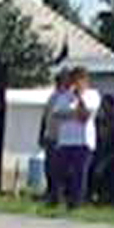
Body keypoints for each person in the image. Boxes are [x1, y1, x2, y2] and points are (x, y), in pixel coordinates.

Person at [46, 65, 101, 209]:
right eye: (73, 79)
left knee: (79, 174)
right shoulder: (64, 96)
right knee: (59, 173)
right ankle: (56, 200)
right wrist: (74, 113)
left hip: (83, 142)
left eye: (79, 80)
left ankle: (76, 203)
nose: (75, 83)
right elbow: (57, 114)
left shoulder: (92, 95)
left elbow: (85, 116)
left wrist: (79, 99)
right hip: (65, 141)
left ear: (85, 80)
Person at [90, 93, 114, 204]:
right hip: (99, 154)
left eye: (106, 106)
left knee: (104, 169)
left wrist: (106, 161)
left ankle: (106, 196)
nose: (104, 110)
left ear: (113, 107)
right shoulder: (98, 122)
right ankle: (92, 194)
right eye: (103, 107)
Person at [38, 69, 70, 203]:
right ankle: (50, 191)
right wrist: (41, 133)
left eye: (61, 80)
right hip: (50, 136)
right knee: (49, 167)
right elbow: (45, 116)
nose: (58, 83)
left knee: (60, 168)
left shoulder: (69, 97)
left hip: (62, 138)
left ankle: (59, 194)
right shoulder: (52, 97)